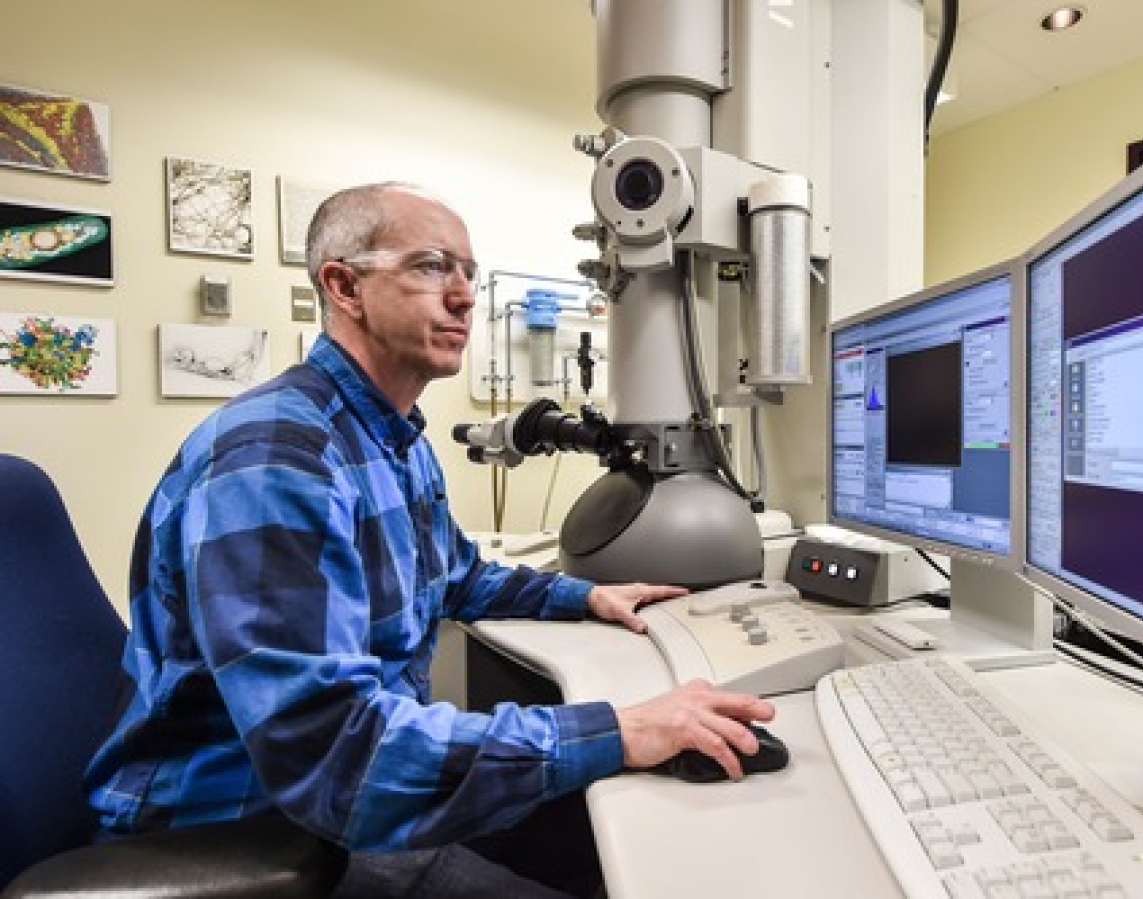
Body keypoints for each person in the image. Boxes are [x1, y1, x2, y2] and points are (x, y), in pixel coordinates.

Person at [85, 181, 776, 898]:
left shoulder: (392, 438)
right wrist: (617, 728)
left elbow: (457, 577)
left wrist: (589, 595)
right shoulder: (274, 462)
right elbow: (336, 757)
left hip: (346, 792)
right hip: (253, 832)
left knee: (626, 837)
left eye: (469, 274)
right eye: (429, 266)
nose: (465, 295)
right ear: (344, 285)